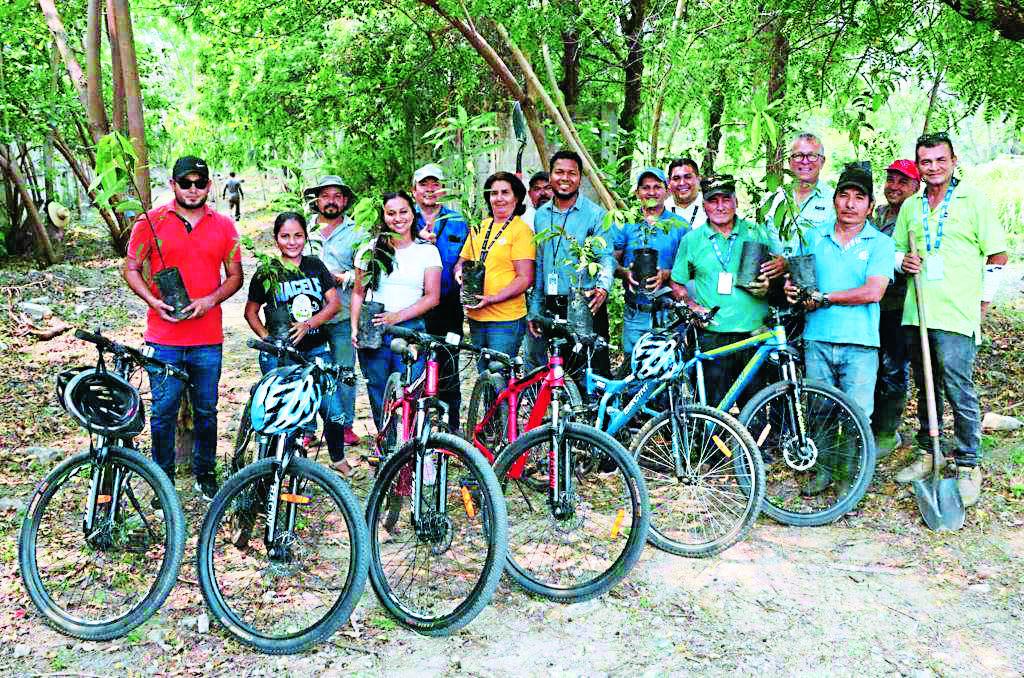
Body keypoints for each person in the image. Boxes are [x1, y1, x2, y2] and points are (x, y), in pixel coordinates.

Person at [892, 132, 1008, 506]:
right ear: (919, 166)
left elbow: (998, 256)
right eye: (926, 162)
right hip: (918, 312)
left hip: (957, 314)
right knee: (927, 387)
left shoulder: (974, 201)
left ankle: (969, 463)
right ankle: (931, 452)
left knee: (959, 388)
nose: (934, 167)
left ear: (954, 161)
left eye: (940, 160)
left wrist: (983, 302)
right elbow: (894, 251)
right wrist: (902, 262)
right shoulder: (911, 206)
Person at [122, 156, 243, 501]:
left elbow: (235, 276)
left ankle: (205, 475)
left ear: (209, 186)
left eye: (199, 183)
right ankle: (163, 482)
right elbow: (131, 268)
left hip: (207, 338)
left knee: (206, 410)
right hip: (164, 339)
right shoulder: (150, 222)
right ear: (173, 185)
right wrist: (152, 300)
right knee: (163, 412)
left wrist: (210, 300)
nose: (193, 189)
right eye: (185, 183)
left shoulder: (224, 226)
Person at [784, 165, 895, 496]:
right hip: (817, 337)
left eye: (859, 198)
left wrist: (826, 297)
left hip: (860, 342)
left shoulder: (880, 243)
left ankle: (850, 478)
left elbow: (873, 291)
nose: (850, 204)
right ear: (834, 200)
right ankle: (822, 471)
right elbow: (798, 279)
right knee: (819, 409)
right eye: (843, 195)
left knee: (856, 414)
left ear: (870, 206)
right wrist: (792, 289)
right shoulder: (814, 236)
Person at [243, 212, 355, 476]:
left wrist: (309, 324)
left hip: (316, 351)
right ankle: (279, 465)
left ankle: (338, 459)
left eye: (298, 236)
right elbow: (251, 312)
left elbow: (334, 304)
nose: (292, 242)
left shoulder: (315, 265)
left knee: (332, 408)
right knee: (283, 411)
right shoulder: (267, 272)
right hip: (280, 355)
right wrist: (267, 338)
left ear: (306, 237)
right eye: (285, 236)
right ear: (276, 239)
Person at [669, 175, 783, 408]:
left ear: (736, 202)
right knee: (712, 410)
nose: (720, 206)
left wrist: (771, 283)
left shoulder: (755, 232)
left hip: (754, 335)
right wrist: (692, 306)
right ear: (704, 206)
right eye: (713, 201)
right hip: (713, 336)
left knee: (755, 411)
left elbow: (779, 271)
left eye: (726, 199)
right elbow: (676, 283)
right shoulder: (692, 240)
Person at [351, 191, 441, 429]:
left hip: (410, 330)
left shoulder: (427, 251)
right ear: (383, 216)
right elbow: (358, 292)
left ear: (413, 213)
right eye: (391, 213)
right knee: (379, 390)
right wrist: (354, 327)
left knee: (412, 390)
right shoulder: (370, 250)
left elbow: (432, 297)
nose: (398, 218)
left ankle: (414, 444)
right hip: (374, 329)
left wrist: (396, 317)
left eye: (403, 212)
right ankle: (387, 443)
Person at [527, 149, 614, 379]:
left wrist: (603, 286)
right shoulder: (541, 215)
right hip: (553, 304)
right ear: (550, 176)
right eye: (559, 172)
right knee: (561, 373)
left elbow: (606, 256)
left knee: (594, 372)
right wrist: (535, 308)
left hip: (586, 302)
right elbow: (541, 263)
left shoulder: (595, 214)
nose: (565, 178)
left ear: (580, 178)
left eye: (572, 173)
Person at [301, 175, 363, 445]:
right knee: (308, 371)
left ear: (345, 201)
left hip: (343, 313)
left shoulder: (357, 232)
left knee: (344, 371)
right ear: (317, 200)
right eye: (326, 196)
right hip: (308, 316)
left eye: (337, 196)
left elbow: (365, 271)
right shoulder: (304, 230)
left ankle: (344, 425)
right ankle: (307, 429)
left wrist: (341, 278)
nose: (331, 201)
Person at [455, 172, 536, 368]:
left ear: (516, 197)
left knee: (498, 375)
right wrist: (459, 273)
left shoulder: (521, 231)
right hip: (476, 315)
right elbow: (462, 261)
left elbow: (525, 278)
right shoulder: (480, 227)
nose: (499, 198)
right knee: (483, 374)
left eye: (505, 192)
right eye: (493, 193)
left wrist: (492, 298)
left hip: (505, 319)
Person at [412, 163, 468, 433]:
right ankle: (415, 427)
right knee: (415, 364)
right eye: (424, 184)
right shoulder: (403, 217)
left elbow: (465, 257)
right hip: (414, 304)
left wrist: (461, 269)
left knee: (448, 361)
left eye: (435, 184)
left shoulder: (458, 220)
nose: (430, 189)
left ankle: (450, 426)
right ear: (414, 190)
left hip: (448, 304)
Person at [871, 160, 920, 457]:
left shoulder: (914, 218)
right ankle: (871, 426)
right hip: (871, 304)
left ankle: (887, 433)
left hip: (898, 305)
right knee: (874, 366)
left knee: (893, 369)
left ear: (916, 186)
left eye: (903, 182)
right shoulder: (877, 214)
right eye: (891, 180)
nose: (894, 187)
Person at [614, 167, 689, 354]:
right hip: (635, 313)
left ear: (667, 191)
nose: (651, 192)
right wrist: (625, 272)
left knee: (669, 367)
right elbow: (611, 262)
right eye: (645, 187)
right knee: (633, 366)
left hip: (669, 314)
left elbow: (692, 267)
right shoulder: (626, 223)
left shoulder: (680, 226)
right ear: (637, 192)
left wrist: (666, 274)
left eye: (657, 187)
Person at [762, 132, 836, 255]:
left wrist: (789, 263)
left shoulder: (834, 201)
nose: (805, 161)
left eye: (812, 156)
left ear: (822, 161)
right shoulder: (771, 200)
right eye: (798, 155)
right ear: (789, 161)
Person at [664, 158, 706, 230]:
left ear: (698, 179)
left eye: (688, 177)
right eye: (676, 178)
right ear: (668, 182)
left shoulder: (711, 206)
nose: (682, 183)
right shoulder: (663, 209)